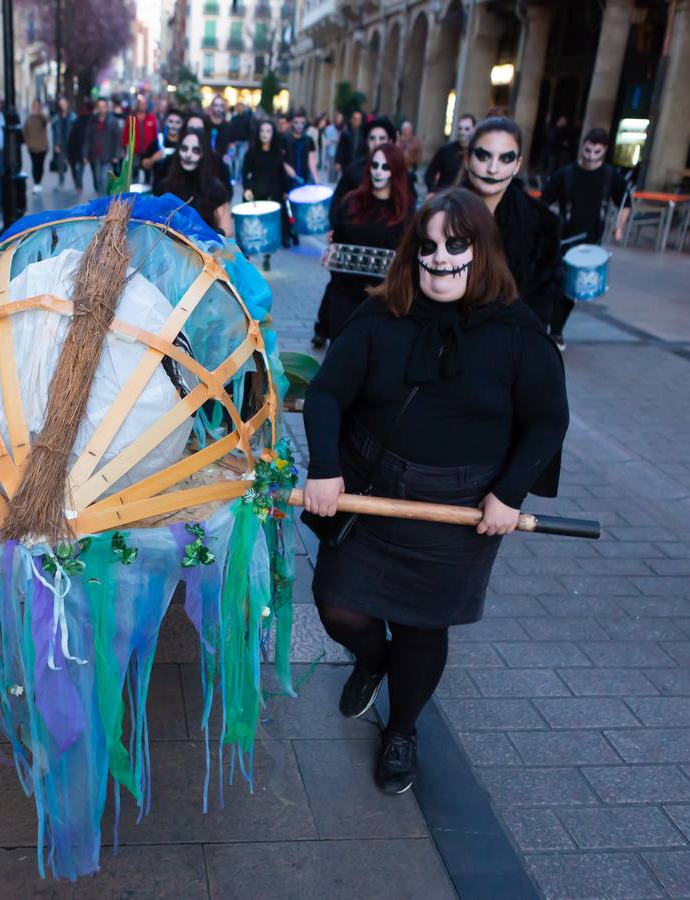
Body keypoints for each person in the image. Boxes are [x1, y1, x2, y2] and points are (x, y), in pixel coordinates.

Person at [302, 187, 568, 794]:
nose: (439, 259)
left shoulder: (520, 336)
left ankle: (403, 729)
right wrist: (323, 466)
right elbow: (324, 393)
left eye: (455, 245)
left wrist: (510, 494)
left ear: (483, 251)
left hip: (457, 510)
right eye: (427, 247)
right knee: (338, 606)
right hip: (371, 490)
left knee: (423, 629)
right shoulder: (380, 315)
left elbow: (548, 421)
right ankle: (371, 659)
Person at [463, 116, 563, 334]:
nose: (492, 168)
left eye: (505, 159)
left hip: (509, 344)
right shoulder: (439, 214)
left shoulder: (541, 224)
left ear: (517, 164)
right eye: (483, 156)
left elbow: (541, 301)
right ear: (468, 158)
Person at [539, 128, 630, 348]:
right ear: (582, 146)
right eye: (587, 150)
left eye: (596, 152)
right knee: (552, 286)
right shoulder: (566, 174)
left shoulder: (611, 176)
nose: (590, 156)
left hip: (590, 244)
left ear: (604, 150)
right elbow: (543, 202)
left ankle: (556, 332)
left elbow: (625, 204)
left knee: (571, 290)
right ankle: (547, 329)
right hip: (562, 239)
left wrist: (619, 227)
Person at [316, 143, 413, 341]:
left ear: (395, 171)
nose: (378, 172)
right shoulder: (351, 201)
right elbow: (337, 241)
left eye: (385, 167)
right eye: (374, 165)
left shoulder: (405, 211)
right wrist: (331, 254)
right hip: (344, 294)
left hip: (382, 299)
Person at [155, 125, 233, 236]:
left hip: (206, 251)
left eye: (195, 150)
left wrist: (203, 236)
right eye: (184, 148)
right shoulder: (165, 186)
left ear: (203, 154)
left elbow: (227, 230)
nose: (188, 155)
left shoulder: (215, 189)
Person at [242, 119, 292, 269]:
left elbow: (281, 174)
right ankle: (247, 257)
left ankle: (267, 257)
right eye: (262, 131)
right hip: (254, 194)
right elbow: (245, 173)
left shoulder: (278, 153)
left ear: (273, 134)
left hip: (272, 195)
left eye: (268, 131)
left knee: (268, 228)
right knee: (251, 226)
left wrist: (285, 191)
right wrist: (247, 188)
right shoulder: (251, 152)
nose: (265, 134)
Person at [423, 112, 476, 192]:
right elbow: (429, 174)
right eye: (460, 128)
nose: (462, 132)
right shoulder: (445, 150)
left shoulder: (477, 153)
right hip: (443, 197)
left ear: (474, 129)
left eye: (467, 129)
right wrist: (432, 192)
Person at [84, 98, 122, 195]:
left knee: (105, 180)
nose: (101, 109)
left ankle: (106, 202)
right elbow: (87, 138)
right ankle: (102, 201)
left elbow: (118, 139)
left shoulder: (112, 120)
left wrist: (116, 155)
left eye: (103, 106)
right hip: (95, 156)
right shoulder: (93, 120)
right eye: (99, 106)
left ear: (106, 107)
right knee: (98, 181)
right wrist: (85, 154)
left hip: (108, 156)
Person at [141, 108, 184, 187]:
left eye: (177, 122)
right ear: (165, 123)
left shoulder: (185, 144)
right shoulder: (157, 142)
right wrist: (153, 159)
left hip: (179, 191)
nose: (174, 125)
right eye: (170, 121)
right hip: (159, 190)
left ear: (182, 125)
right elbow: (144, 165)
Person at [22, 100, 50, 196]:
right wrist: (28, 143)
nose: (35, 107)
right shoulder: (29, 118)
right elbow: (25, 131)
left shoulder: (42, 117)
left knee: (40, 165)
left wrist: (39, 113)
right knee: (34, 165)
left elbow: (46, 121)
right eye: (34, 105)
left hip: (42, 147)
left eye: (37, 105)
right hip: (32, 147)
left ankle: (39, 181)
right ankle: (36, 183)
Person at [49, 97, 76, 190]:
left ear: (67, 104)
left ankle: (76, 182)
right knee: (60, 164)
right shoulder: (56, 118)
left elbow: (76, 132)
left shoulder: (73, 117)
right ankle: (61, 182)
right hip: (61, 143)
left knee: (73, 164)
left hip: (71, 144)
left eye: (64, 104)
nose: (63, 106)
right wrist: (55, 145)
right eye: (61, 104)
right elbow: (54, 134)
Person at [335, 109, 365, 176]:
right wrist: (338, 162)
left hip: (358, 163)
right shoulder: (346, 133)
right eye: (355, 119)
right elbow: (340, 148)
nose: (357, 121)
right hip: (347, 162)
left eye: (359, 119)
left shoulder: (363, 134)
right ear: (351, 119)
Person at [321, 112, 341, 181]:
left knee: (337, 170)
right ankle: (331, 180)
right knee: (332, 169)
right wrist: (332, 140)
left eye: (341, 119)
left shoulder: (342, 129)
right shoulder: (329, 128)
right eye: (338, 119)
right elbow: (325, 139)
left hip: (339, 151)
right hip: (332, 151)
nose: (340, 120)